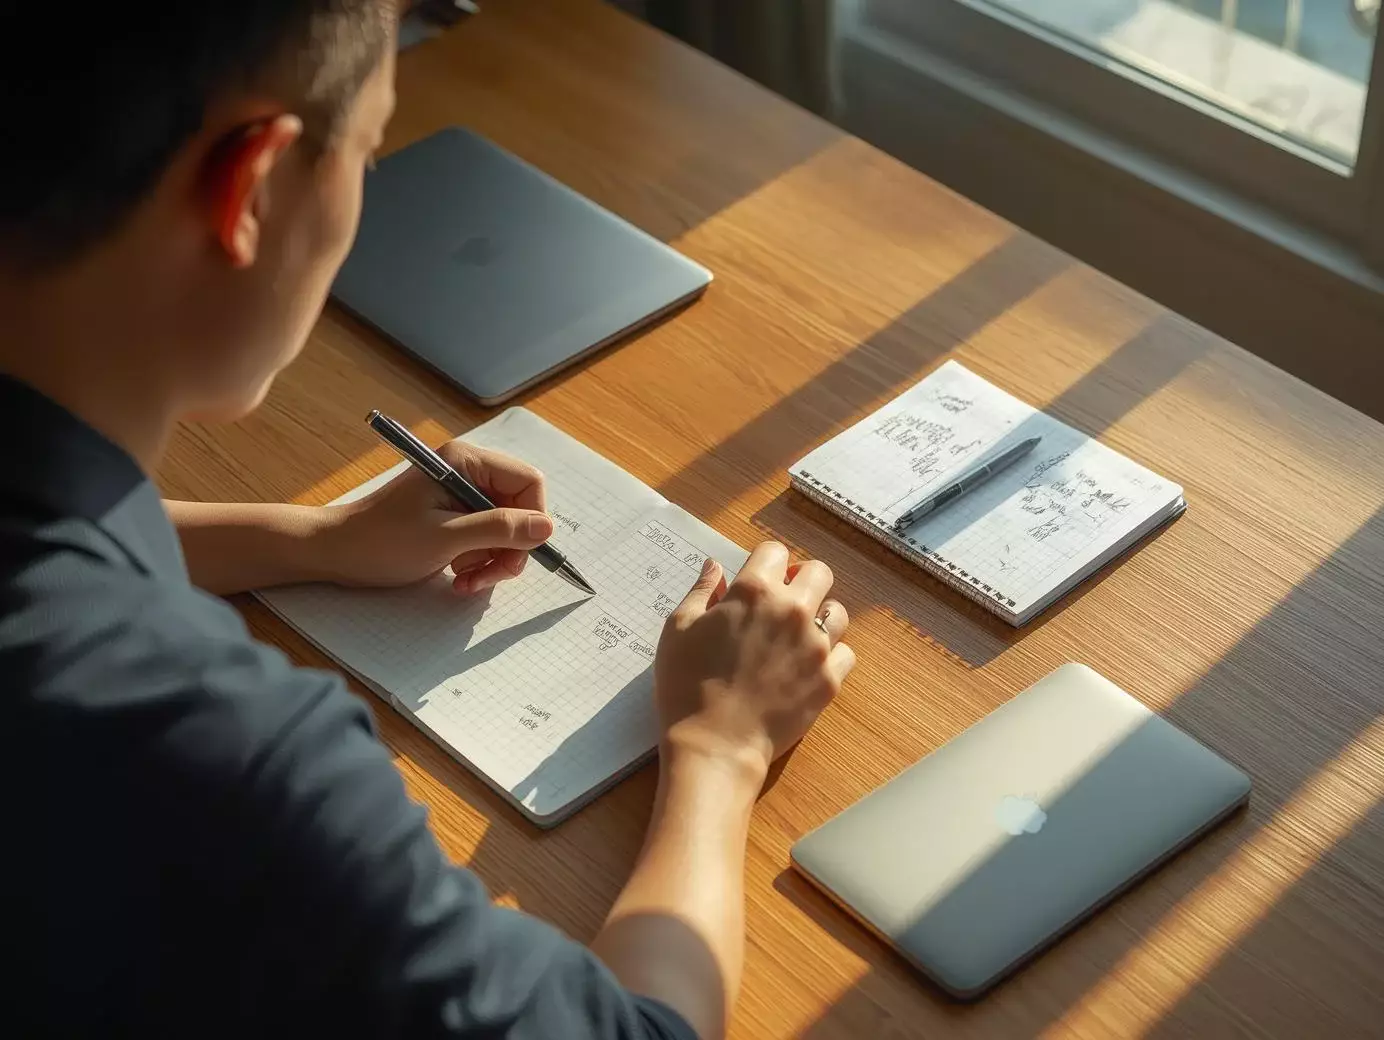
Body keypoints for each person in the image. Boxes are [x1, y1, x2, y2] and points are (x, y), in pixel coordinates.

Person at [2, 3, 854, 1037]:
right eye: (368, 148)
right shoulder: (209, 760)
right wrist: (720, 747)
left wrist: (307, 538)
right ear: (254, 189)